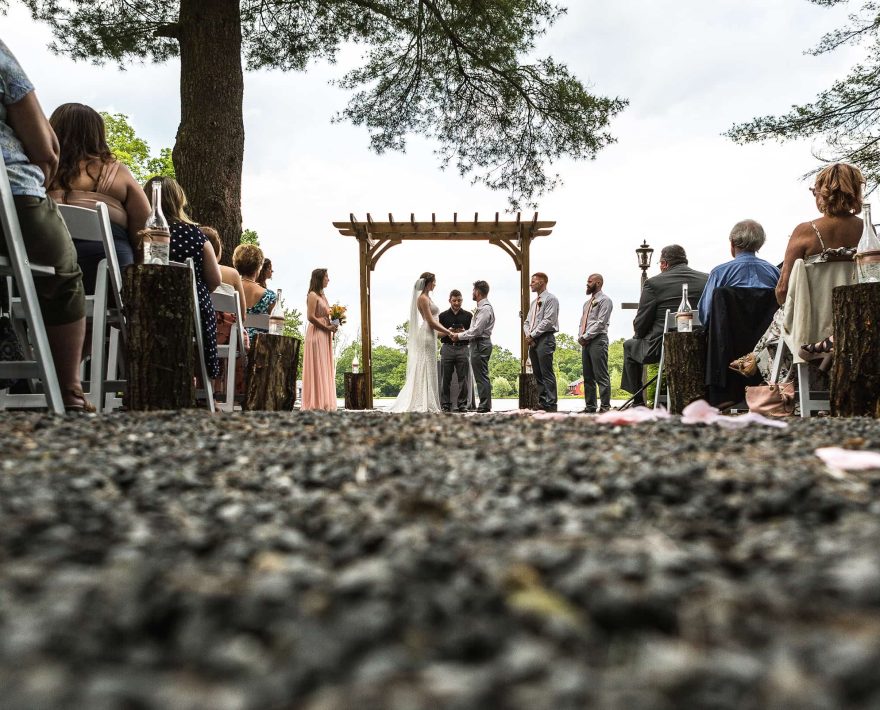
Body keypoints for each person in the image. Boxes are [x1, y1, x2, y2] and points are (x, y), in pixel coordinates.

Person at [0, 38, 90, 411]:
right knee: (62, 276)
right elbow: (44, 146)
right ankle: (68, 389)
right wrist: (42, 168)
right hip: (12, 193)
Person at [748, 163, 864, 381]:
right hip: (853, 323)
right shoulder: (867, 230)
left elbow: (783, 290)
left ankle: (779, 382)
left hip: (808, 321)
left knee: (777, 325)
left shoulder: (806, 230)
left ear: (823, 192)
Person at [47, 103, 150, 292]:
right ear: (97, 135)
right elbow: (146, 231)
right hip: (110, 276)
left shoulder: (41, 173)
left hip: (47, 276)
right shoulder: (117, 172)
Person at [142, 176, 222, 379]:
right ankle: (206, 390)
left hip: (146, 307)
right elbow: (215, 280)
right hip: (191, 311)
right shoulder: (195, 234)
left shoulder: (142, 231)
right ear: (179, 200)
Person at [621, 245, 708, 406]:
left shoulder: (653, 283)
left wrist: (638, 336)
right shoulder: (706, 279)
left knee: (629, 346)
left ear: (664, 264)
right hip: (703, 345)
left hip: (661, 346)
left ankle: (638, 403)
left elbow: (640, 323)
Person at [697, 219, 780, 327]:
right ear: (760, 244)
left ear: (732, 242)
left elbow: (705, 316)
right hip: (769, 341)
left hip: (727, 342)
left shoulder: (719, 274)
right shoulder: (775, 273)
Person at [389, 272, 452, 413]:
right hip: (426, 335)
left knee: (429, 366)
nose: (435, 284)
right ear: (428, 282)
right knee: (425, 365)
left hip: (432, 334)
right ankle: (422, 401)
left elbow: (435, 322)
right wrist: (448, 332)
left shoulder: (428, 298)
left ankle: (428, 399)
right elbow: (430, 321)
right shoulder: (423, 298)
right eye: (434, 281)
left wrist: (447, 332)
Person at [451, 280, 495, 412]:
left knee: (481, 376)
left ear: (478, 292)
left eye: (473, 290)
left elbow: (476, 330)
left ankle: (485, 405)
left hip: (480, 343)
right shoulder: (482, 308)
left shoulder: (485, 309)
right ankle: (484, 404)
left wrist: (458, 336)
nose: (472, 293)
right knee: (480, 376)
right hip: (477, 343)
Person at [301, 268, 338, 411]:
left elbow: (327, 316)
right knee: (317, 365)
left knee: (324, 365)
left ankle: (324, 401)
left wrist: (334, 325)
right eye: (326, 277)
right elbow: (310, 316)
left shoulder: (323, 296)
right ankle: (315, 402)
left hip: (325, 333)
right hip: (316, 333)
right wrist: (326, 328)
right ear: (319, 278)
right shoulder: (312, 295)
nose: (328, 279)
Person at [524, 272, 560, 412]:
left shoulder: (551, 299)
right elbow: (527, 322)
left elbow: (548, 320)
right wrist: (528, 335)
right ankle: (542, 401)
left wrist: (532, 334)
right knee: (537, 372)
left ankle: (551, 403)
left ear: (542, 282)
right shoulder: (534, 303)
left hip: (545, 338)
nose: (531, 284)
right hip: (533, 340)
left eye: (534, 281)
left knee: (546, 372)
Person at [578, 273, 613, 413]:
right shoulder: (587, 303)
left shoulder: (605, 300)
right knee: (587, 376)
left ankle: (605, 406)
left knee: (601, 374)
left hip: (598, 340)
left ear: (598, 283)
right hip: (586, 342)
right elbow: (583, 322)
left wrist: (586, 336)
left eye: (590, 281)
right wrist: (581, 336)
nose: (587, 283)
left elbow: (601, 322)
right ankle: (590, 406)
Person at [232, 243, 277, 341]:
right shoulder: (269, 297)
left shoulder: (228, 290)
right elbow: (276, 329)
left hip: (230, 343)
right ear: (259, 267)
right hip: (258, 350)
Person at [438, 289, 473, 412]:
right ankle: (445, 405)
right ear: (449, 301)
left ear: (462, 300)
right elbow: (437, 335)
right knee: (445, 379)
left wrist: (462, 333)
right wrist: (448, 331)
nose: (457, 303)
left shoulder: (469, 316)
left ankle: (462, 404)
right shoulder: (442, 316)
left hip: (463, 348)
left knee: (463, 379)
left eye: (459, 300)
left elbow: (472, 334)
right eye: (454, 300)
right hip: (447, 348)